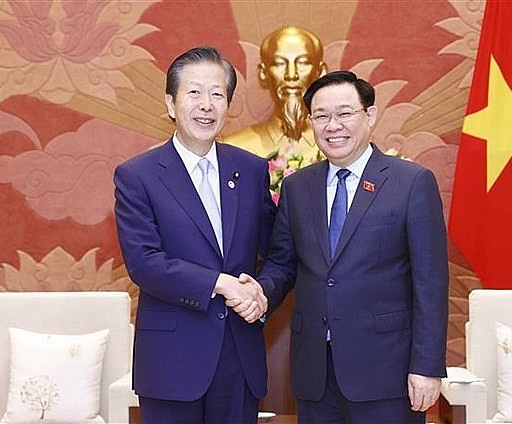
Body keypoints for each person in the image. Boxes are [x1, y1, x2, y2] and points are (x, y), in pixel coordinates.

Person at [232, 71, 449, 423]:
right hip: (315, 372)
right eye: (321, 116)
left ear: (370, 116)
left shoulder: (411, 183)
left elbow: (431, 283)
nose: (333, 126)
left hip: (386, 373)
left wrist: (427, 367)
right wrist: (258, 292)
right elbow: (283, 265)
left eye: (345, 113)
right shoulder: (298, 187)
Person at [114, 46, 276, 423]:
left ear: (228, 104)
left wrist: (260, 292)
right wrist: (222, 284)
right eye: (194, 92)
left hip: (240, 357)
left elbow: (277, 252)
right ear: (171, 103)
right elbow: (144, 263)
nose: (207, 104)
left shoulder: (251, 170)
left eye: (217, 94)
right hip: (172, 362)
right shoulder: (137, 175)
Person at [223, 26, 327, 161]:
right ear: (263, 73)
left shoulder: (341, 149)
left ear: (320, 73)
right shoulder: (236, 148)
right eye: (279, 63)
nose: (291, 75)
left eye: (303, 62)